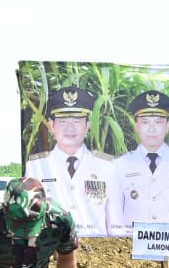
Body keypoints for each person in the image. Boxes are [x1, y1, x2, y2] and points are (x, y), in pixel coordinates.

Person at [24, 86, 122, 237]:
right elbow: (30, 220)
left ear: (88, 125)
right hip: (52, 248)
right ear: (51, 125)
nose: (70, 128)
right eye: (63, 121)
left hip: (96, 249)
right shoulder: (36, 167)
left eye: (77, 121)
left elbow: (116, 225)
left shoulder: (107, 166)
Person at [114, 90, 169, 234]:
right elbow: (115, 221)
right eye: (145, 122)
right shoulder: (119, 165)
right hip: (130, 246)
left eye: (158, 122)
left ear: (167, 126)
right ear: (136, 126)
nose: (152, 128)